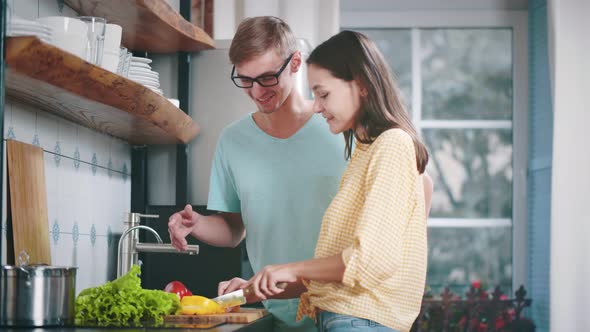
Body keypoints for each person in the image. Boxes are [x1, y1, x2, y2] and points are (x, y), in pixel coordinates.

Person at [168, 17, 432, 332]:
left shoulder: (368, 138)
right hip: (307, 309)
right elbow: (236, 228)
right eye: (245, 80)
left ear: (295, 64)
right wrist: (253, 286)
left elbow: (377, 251)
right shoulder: (355, 145)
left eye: (266, 78)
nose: (256, 91)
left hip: (356, 313)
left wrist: (288, 270)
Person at [244, 30, 430, 332]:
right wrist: (257, 286)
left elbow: (369, 262)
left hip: (360, 323)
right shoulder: (366, 153)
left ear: (362, 85)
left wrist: (289, 268)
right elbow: (346, 273)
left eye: (323, 94)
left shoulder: (392, 144)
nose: (317, 107)